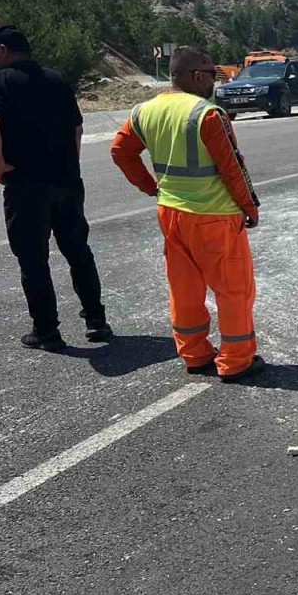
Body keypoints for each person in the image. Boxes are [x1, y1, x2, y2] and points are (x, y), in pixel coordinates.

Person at [110, 46, 265, 382]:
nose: (215, 81)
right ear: (196, 76)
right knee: (234, 290)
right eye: (212, 74)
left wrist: (149, 186)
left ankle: (195, 354)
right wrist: (250, 208)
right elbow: (233, 169)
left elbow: (120, 151)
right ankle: (237, 360)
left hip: (171, 213)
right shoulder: (208, 114)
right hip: (215, 217)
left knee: (184, 288)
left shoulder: (144, 111)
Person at [0, 23, 111, 351]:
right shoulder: (57, 79)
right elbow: (77, 128)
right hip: (66, 181)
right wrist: (68, 165)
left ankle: (46, 329)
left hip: (26, 184)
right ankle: (96, 321)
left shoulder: (1, 82)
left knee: (33, 259)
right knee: (77, 250)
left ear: (3, 50)